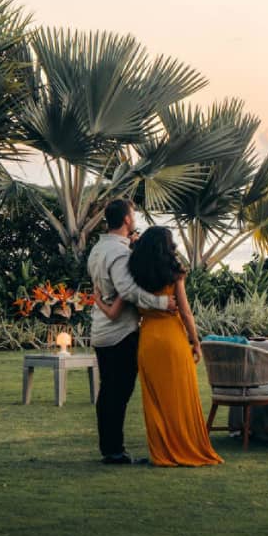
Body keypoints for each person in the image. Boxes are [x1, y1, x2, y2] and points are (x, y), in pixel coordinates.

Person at [123, 226, 222, 467]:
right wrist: (195, 341)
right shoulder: (174, 271)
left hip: (149, 338)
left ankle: (162, 451)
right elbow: (186, 311)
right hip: (172, 336)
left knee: (156, 399)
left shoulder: (134, 270)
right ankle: (186, 445)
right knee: (180, 395)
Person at [88, 198, 176, 466]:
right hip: (120, 332)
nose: (134, 218)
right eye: (133, 214)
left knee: (109, 391)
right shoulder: (118, 253)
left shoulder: (99, 249)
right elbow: (127, 291)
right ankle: (114, 451)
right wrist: (161, 302)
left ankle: (111, 448)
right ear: (126, 219)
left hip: (102, 328)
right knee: (118, 392)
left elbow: (109, 289)